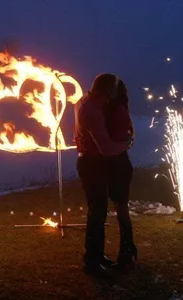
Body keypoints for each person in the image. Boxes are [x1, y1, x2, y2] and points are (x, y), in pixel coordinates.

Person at [74, 73, 131, 278]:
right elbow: (106, 148)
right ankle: (92, 262)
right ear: (108, 91)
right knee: (97, 213)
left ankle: (96, 256)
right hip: (92, 164)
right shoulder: (91, 112)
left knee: (98, 211)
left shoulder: (85, 102)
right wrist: (126, 144)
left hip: (91, 162)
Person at [105, 79, 137, 273]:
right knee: (121, 210)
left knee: (122, 211)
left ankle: (127, 254)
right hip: (120, 165)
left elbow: (116, 140)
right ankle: (129, 252)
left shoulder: (116, 112)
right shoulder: (121, 109)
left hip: (118, 166)